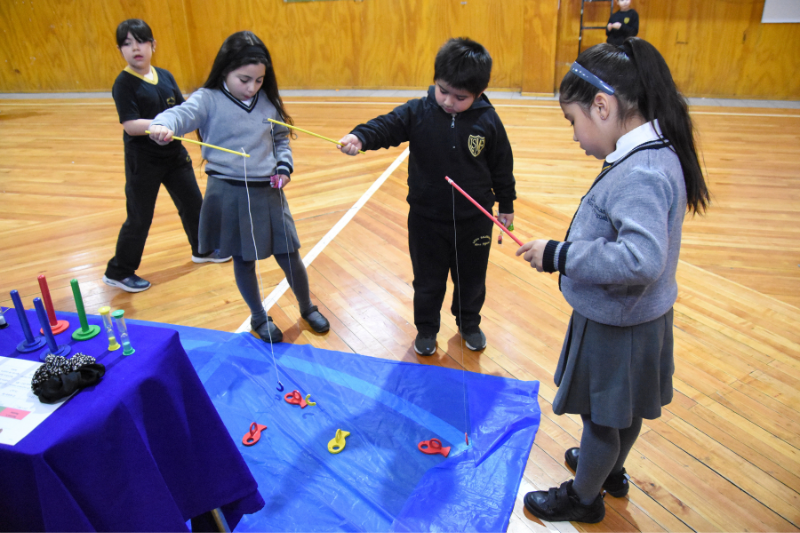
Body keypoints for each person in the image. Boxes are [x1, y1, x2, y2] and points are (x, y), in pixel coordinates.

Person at [517, 37, 709, 523]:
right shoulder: (658, 149)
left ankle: (583, 498)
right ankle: (609, 470)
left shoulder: (640, 170)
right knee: (624, 412)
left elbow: (641, 260)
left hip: (617, 325)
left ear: (601, 106)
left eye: (573, 120)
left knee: (601, 419)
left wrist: (560, 254)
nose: (574, 134)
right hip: (642, 319)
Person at [338, 37, 516, 356]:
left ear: (478, 94)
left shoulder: (488, 121)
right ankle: (426, 328)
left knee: (472, 279)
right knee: (428, 281)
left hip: (475, 221)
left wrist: (506, 205)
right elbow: (386, 127)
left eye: (459, 97)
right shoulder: (417, 111)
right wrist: (360, 136)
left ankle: (469, 322)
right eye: (442, 90)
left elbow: (502, 165)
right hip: (426, 219)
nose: (448, 101)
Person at [149, 31, 329, 342]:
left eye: (259, 80)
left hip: (268, 192)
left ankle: (307, 306)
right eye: (244, 79)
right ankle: (258, 318)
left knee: (290, 255)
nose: (252, 88)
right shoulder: (207, 99)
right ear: (225, 70)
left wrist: (284, 169)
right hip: (228, 193)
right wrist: (163, 124)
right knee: (244, 261)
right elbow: (180, 114)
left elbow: (280, 140)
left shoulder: (267, 102)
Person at [104, 19, 230, 293]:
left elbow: (184, 113)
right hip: (143, 161)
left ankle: (202, 248)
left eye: (140, 41)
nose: (135, 48)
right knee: (140, 216)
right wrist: (160, 125)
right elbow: (130, 125)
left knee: (194, 203)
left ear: (153, 45)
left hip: (174, 156)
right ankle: (119, 270)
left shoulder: (166, 76)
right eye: (127, 44)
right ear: (120, 50)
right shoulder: (124, 84)